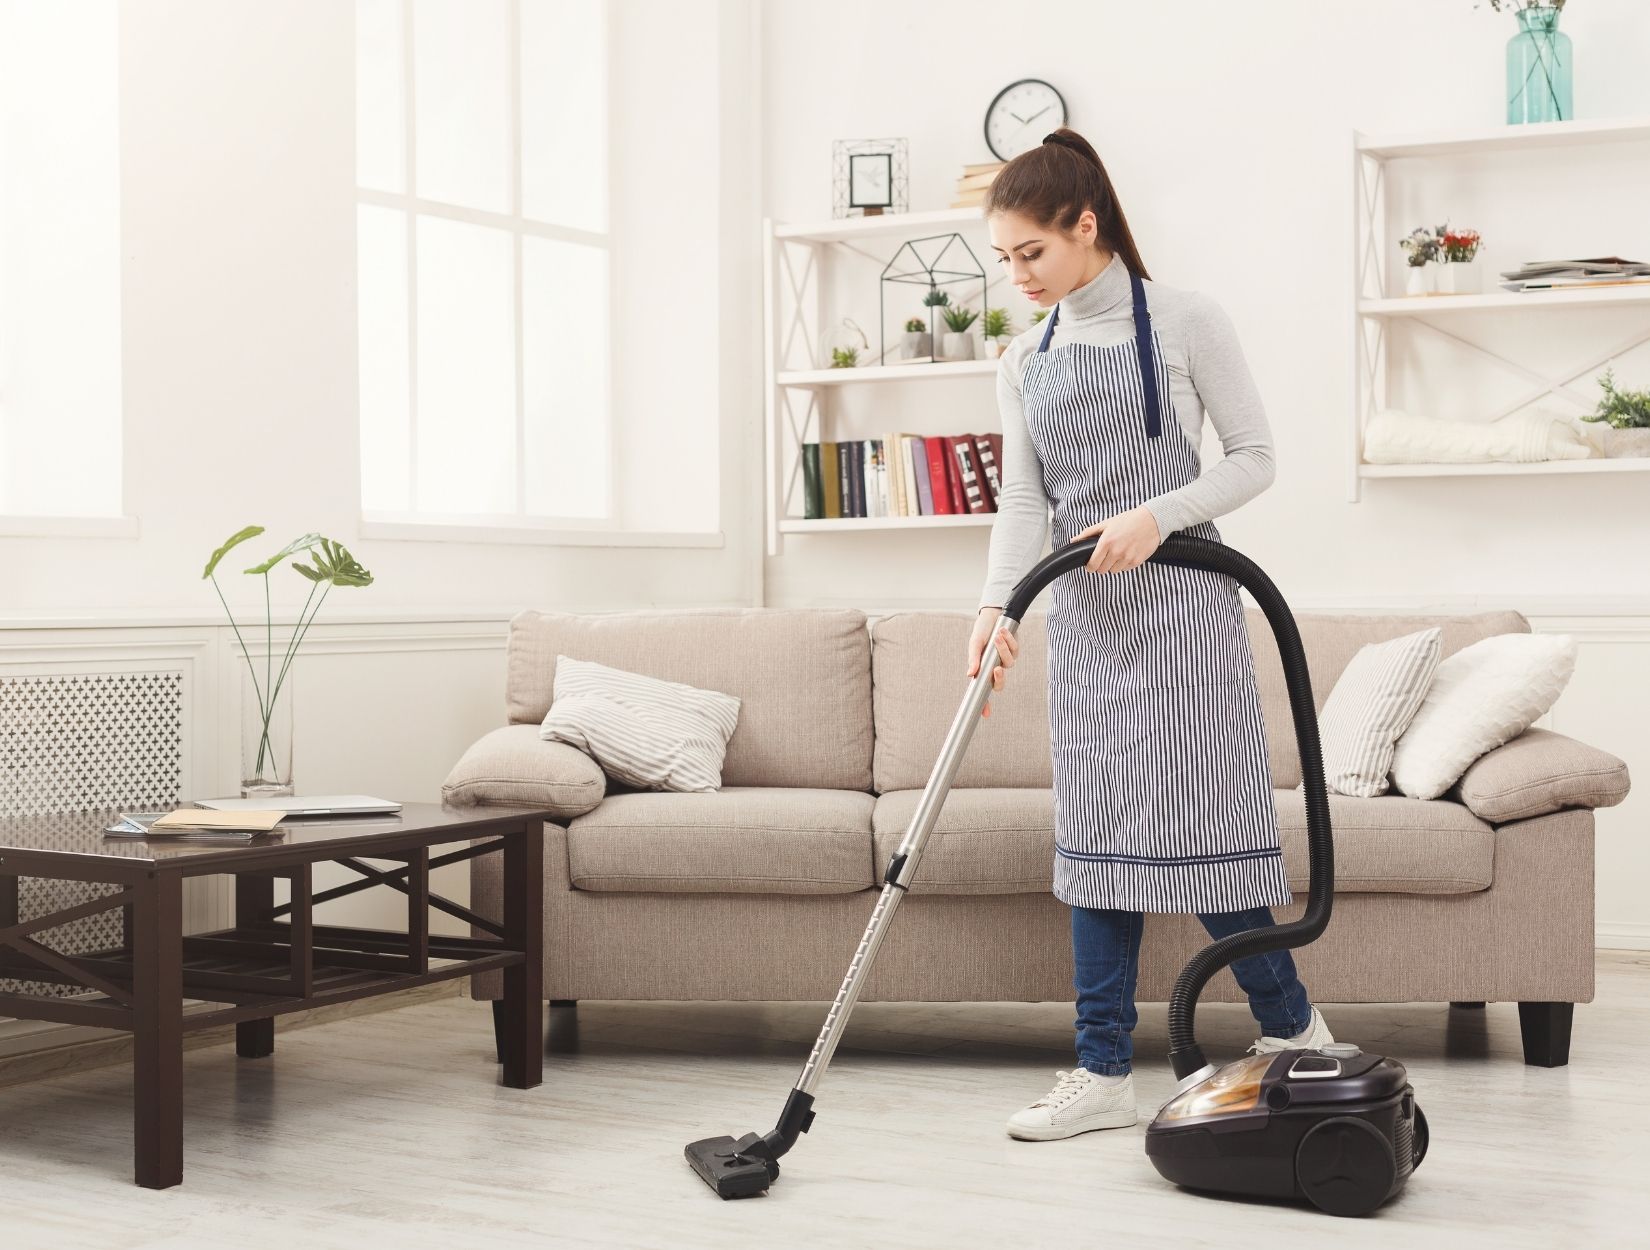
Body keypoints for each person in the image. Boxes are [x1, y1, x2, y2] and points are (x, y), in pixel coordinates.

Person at [966, 127, 1332, 1143]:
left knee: (1210, 834)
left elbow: (1255, 457)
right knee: (1099, 846)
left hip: (1186, 611)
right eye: (1004, 258)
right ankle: (1101, 1071)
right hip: (1088, 624)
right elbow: (1024, 509)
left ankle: (1297, 1032)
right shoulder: (1021, 360)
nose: (1018, 275)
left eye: (1030, 252)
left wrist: (1156, 515)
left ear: (1087, 227)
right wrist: (995, 611)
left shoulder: (1183, 319)